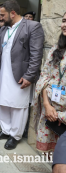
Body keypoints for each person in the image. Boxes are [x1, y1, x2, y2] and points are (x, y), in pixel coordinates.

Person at [0, 0, 45, 150]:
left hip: (20, 74)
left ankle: (15, 136)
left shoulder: (32, 27)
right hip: (3, 72)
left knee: (18, 105)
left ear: (13, 13)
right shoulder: (3, 29)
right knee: (3, 102)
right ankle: (5, 130)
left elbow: (36, 54)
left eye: (2, 15)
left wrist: (29, 76)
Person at [32, 12, 66, 153]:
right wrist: (46, 105)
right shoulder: (56, 48)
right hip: (50, 109)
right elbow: (44, 76)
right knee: (54, 155)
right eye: (64, 20)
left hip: (63, 113)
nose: (64, 25)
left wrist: (60, 116)